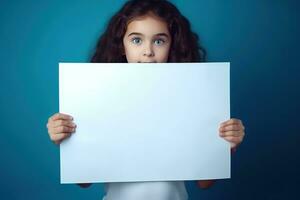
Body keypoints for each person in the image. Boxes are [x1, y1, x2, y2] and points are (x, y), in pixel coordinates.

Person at [46, 0, 245, 199]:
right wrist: (66, 140)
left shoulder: (190, 99)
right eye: (136, 40)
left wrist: (226, 145)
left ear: (172, 44)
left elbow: (205, 183)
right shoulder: (99, 99)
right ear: (122, 45)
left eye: (159, 41)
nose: (148, 51)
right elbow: (84, 181)